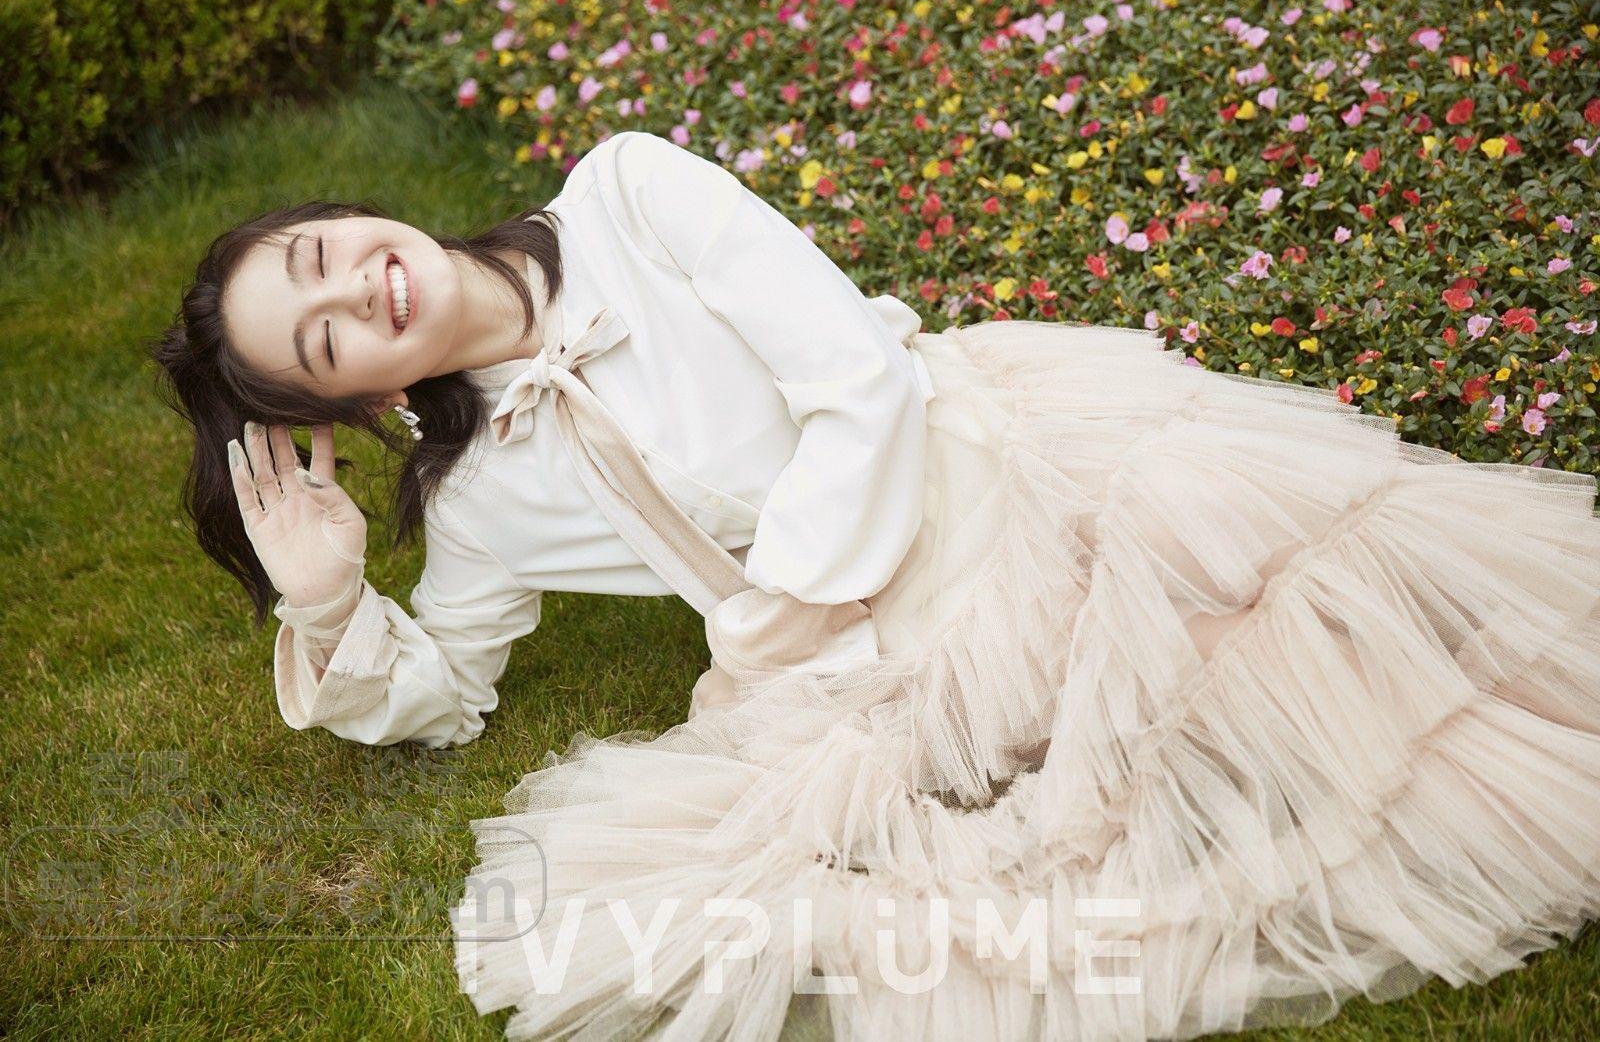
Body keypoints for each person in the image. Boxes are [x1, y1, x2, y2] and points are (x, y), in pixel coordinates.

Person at [150, 130, 1600, 1040]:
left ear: (352, 213)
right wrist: (331, 602)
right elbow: (450, 695)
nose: (358, 289)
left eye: (323, 256)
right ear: (358, 400)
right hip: (853, 649)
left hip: (978, 467)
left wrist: (788, 608)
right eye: (327, 338)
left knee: (1276, 621)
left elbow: (851, 375)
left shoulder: (629, 197)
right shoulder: (478, 496)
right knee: (1097, 818)